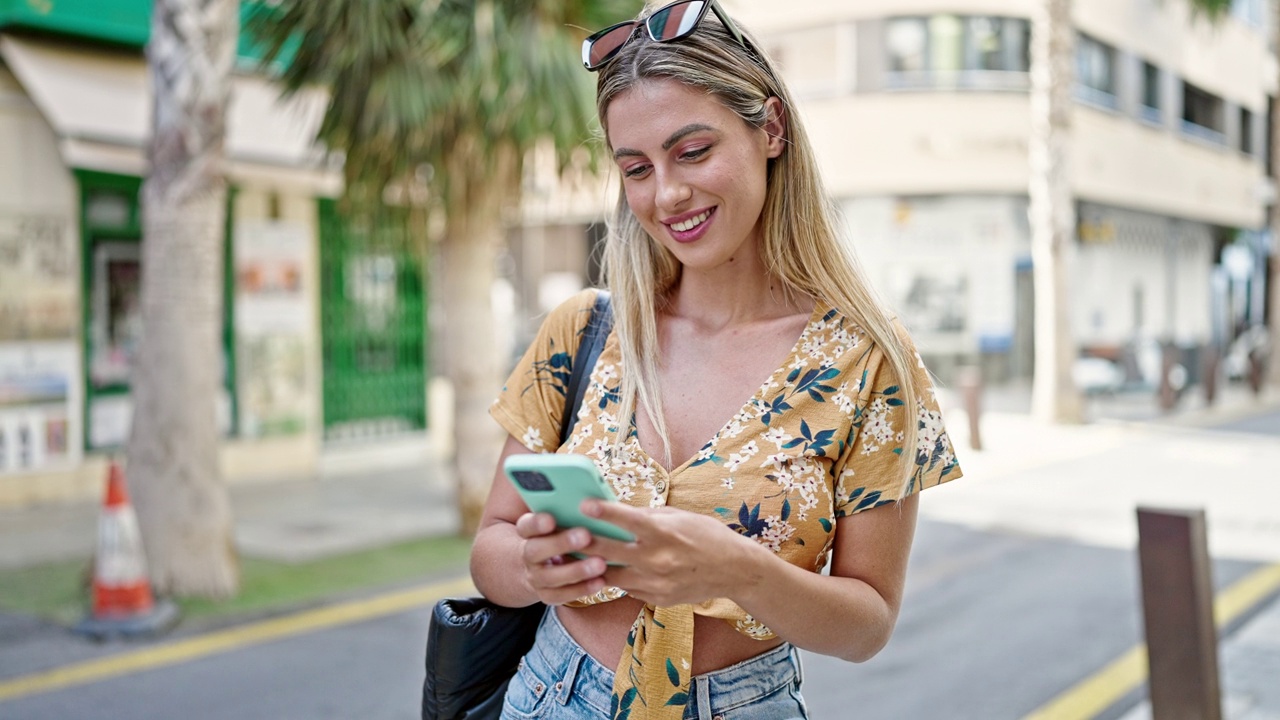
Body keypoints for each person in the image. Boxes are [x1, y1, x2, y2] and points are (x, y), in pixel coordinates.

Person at [470, 2, 963, 718]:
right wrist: (531, 567)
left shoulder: (868, 360)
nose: (666, 194)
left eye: (692, 151)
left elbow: (868, 624)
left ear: (771, 128)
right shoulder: (583, 331)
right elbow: (490, 548)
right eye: (636, 168)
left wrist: (741, 572)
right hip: (551, 692)